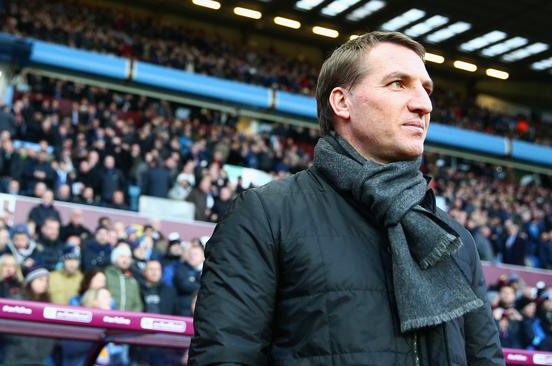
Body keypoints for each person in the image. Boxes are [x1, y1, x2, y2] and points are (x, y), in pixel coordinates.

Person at [189, 31, 503, 365]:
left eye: (426, 90)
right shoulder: (265, 214)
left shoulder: (452, 240)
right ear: (342, 102)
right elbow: (225, 356)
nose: (424, 104)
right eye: (398, 83)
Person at [1, 266, 56, 365]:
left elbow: (51, 331)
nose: (44, 283)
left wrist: (44, 350)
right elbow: (7, 327)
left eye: (46, 281)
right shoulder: (17, 299)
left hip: (39, 358)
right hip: (15, 356)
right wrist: (21, 343)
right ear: (30, 281)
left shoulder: (48, 304)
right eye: (40, 280)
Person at [104, 243, 143, 312]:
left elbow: (137, 304)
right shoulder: (105, 274)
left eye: (128, 257)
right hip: (107, 317)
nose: (126, 260)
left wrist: (132, 317)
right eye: (122, 256)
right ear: (114, 258)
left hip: (128, 320)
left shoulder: (132, 280)